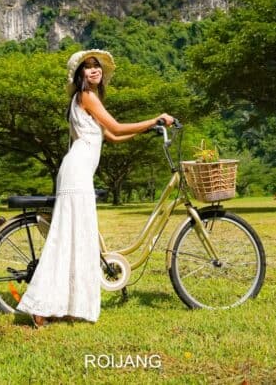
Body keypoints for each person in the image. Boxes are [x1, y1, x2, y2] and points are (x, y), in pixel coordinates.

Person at [15, 49, 174, 326]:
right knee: (68, 239)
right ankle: (40, 306)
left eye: (96, 66)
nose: (94, 70)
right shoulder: (86, 96)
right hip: (76, 173)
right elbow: (115, 126)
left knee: (77, 238)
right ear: (79, 75)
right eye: (88, 67)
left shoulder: (87, 99)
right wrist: (155, 119)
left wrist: (146, 130)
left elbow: (111, 135)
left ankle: (60, 306)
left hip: (78, 173)